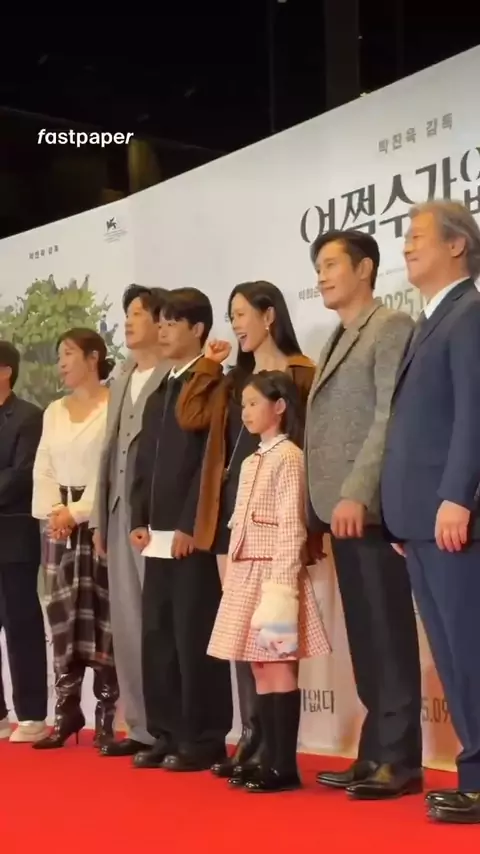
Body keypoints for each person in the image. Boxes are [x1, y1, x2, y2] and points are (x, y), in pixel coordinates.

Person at [176, 280, 315, 783]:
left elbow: (308, 446)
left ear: (268, 315)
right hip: (232, 522)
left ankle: (276, 755)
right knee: (246, 642)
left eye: (240, 314)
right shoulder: (233, 379)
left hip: (277, 534)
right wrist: (209, 367)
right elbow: (191, 416)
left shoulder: (300, 375)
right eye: (231, 315)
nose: (234, 324)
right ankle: (254, 740)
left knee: (274, 647)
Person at [306, 229, 423, 799]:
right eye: (318, 267)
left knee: (387, 633)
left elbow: (387, 416)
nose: (322, 276)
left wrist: (357, 491)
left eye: (331, 264)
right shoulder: (336, 337)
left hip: (369, 509)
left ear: (365, 268)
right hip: (338, 511)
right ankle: (375, 751)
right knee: (365, 635)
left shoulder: (390, 326)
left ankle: (399, 760)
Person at [381, 200, 480, 825]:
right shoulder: (430, 320)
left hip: (450, 516)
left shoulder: (469, 314)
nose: (407, 246)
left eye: (418, 236)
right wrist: (402, 513)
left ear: (457, 245)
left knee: (470, 650)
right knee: (451, 654)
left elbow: (474, 413)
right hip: (418, 521)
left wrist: (456, 496)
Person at [208, 371, 330, 793]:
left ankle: (283, 765)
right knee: (259, 666)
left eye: (253, 403)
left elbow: (292, 527)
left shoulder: (290, 457)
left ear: (279, 407)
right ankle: (267, 757)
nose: (246, 413)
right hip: (246, 573)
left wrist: (282, 587)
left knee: (278, 666)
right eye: (243, 405)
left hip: (273, 576)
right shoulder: (249, 461)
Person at [130, 287, 232, 772]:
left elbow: (208, 464)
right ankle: (165, 731)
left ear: (198, 329)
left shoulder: (210, 384)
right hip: (155, 535)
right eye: (161, 321)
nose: (163, 330)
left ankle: (204, 737)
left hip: (193, 535)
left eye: (173, 322)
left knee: (195, 636)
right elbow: (142, 464)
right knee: (158, 636)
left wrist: (193, 524)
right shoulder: (158, 391)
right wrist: (137, 519)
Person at [91, 285, 171, 758]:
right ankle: (140, 727)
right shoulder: (122, 377)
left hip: (155, 517)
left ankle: (167, 727)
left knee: (156, 624)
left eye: (138, 312)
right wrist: (100, 518)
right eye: (127, 313)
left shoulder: (172, 373)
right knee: (126, 624)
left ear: (161, 322)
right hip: (118, 513)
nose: (128, 320)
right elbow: (108, 450)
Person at [31, 328, 119, 749]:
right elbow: (43, 466)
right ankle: (66, 712)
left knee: (103, 615)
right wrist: (56, 512)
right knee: (62, 615)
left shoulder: (115, 404)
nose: (61, 364)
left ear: (93, 357)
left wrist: (78, 512)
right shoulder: (53, 411)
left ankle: (106, 715)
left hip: (98, 520)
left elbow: (112, 468)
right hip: (58, 525)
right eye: (59, 356)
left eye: (68, 354)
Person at [0, 341, 48, 743]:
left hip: (14, 536)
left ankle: (32, 715)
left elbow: (21, 474)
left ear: (6, 371)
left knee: (21, 624)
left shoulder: (29, 416)